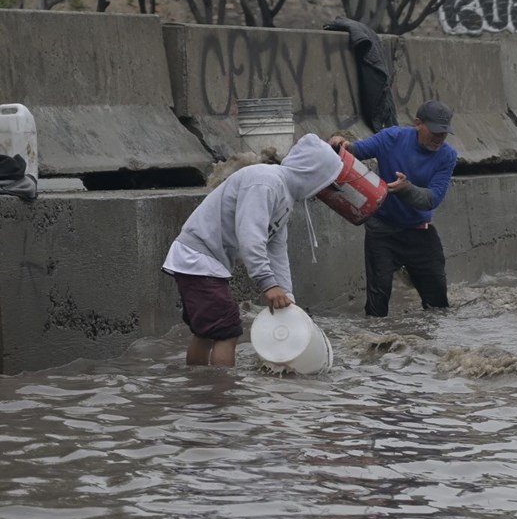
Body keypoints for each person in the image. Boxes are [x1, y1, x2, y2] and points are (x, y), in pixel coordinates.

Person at [161, 133, 343, 366]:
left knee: (206, 331)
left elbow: (276, 249)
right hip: (198, 258)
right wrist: (268, 284)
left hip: (205, 261)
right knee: (227, 330)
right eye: (325, 180)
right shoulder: (265, 181)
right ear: (311, 173)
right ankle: (222, 395)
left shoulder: (284, 198)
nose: (324, 189)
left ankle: (199, 390)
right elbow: (251, 237)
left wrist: (286, 295)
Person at [329, 100, 459, 317]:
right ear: (418, 123)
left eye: (444, 133)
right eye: (435, 131)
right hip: (382, 231)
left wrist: (406, 189)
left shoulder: (447, 156)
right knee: (377, 306)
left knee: (438, 305)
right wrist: (340, 143)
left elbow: (432, 198)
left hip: (420, 232)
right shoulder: (392, 138)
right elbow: (355, 152)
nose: (439, 138)